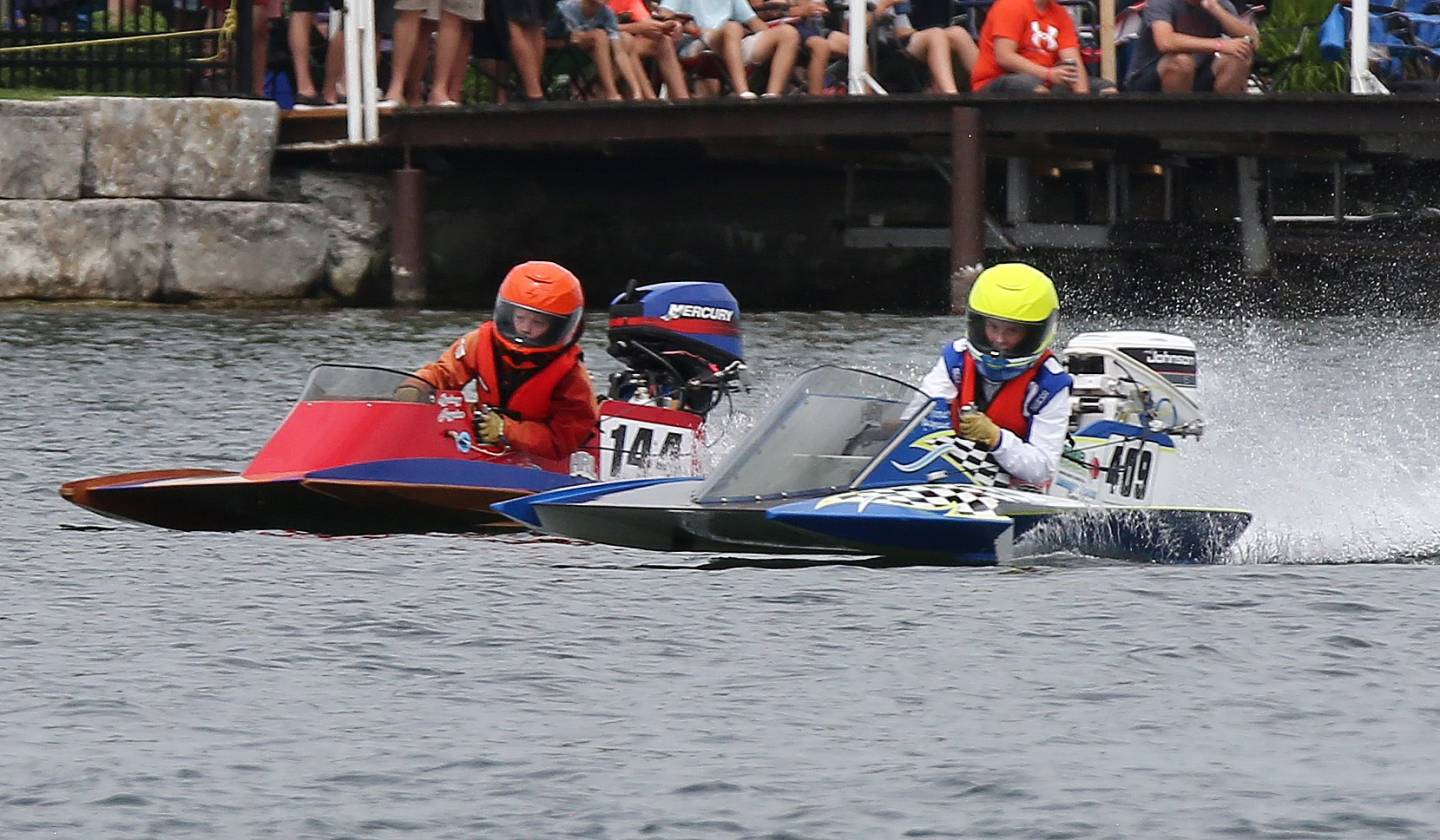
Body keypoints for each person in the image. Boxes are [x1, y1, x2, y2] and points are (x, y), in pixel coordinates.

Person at [413, 261, 601, 462]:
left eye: (538, 322)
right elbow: (444, 372)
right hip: (483, 448)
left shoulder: (570, 375)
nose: (526, 328)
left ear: (558, 326)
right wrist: (417, 386)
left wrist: (506, 429)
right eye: (520, 318)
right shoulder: (480, 342)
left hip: (540, 460)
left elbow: (564, 441)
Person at [916, 263, 1072, 488]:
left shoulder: (1050, 384)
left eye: (1012, 330)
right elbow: (919, 416)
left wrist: (997, 438)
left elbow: (1042, 469)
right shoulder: (956, 359)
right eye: (993, 327)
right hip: (945, 477)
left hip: (1012, 487)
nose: (999, 339)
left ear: (1033, 333)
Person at [660, 0, 801, 98]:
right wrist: (682, 25)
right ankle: (742, 91)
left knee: (788, 33)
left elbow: (755, 23)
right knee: (732, 27)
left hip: (730, 44)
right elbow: (663, 14)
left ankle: (773, 95)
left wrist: (771, 36)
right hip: (696, 42)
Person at [970, 0, 1114, 94]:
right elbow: (1005, 57)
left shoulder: (1060, 13)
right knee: (1034, 88)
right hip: (998, 80)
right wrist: (1049, 74)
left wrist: (1082, 94)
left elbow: (1072, 60)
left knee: (1107, 89)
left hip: (1047, 79)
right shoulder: (1011, 5)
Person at [1124, 0, 1258, 93]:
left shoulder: (1220, 4)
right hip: (1151, 78)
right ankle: (1176, 125)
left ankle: (1226, 121)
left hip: (1198, 75)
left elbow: (1253, 40)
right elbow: (1165, 42)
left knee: (1237, 57)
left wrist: (1216, 9)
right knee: (1182, 61)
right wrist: (1219, 45)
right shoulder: (1161, 2)